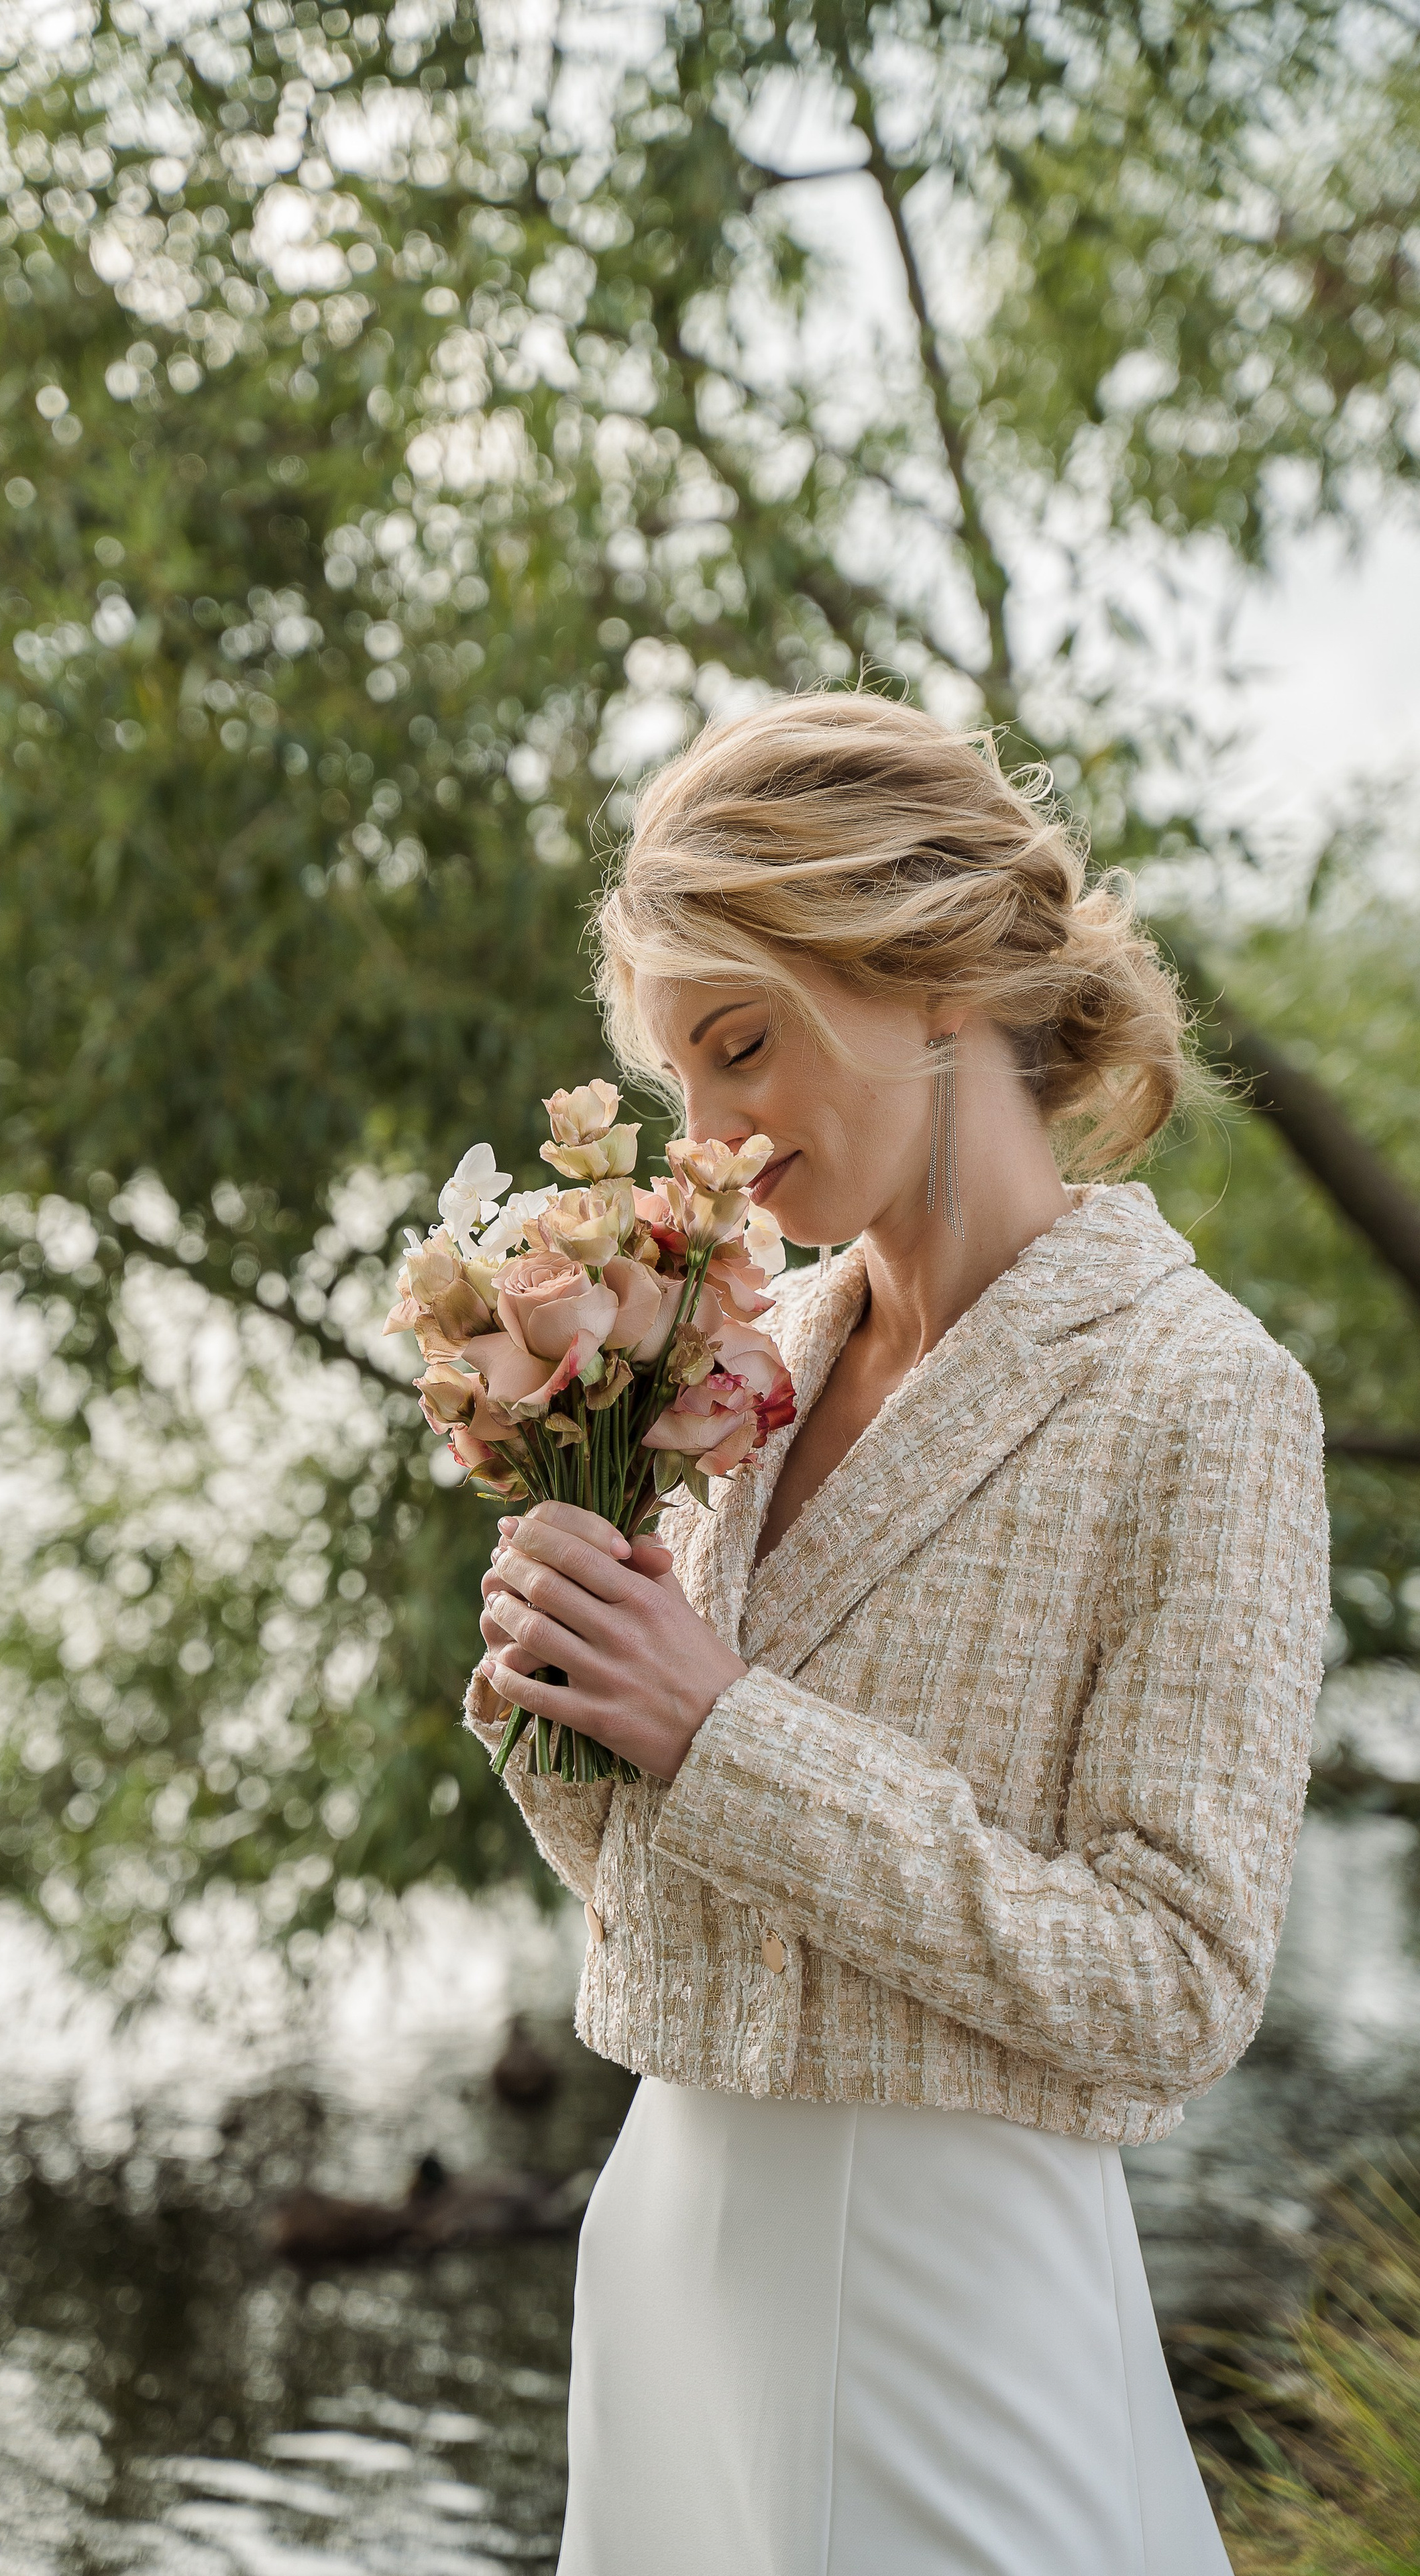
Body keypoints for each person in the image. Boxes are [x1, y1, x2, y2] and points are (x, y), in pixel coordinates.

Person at [468, 692, 1329, 2576]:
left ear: (933, 975)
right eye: (678, 1079)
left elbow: (1177, 1985)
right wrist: (562, 1686)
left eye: (742, 1043)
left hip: (945, 2303)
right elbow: (664, 1890)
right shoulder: (738, 1372)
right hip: (670, 2255)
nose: (710, 1145)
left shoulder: (1201, 1395)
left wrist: (721, 1734)